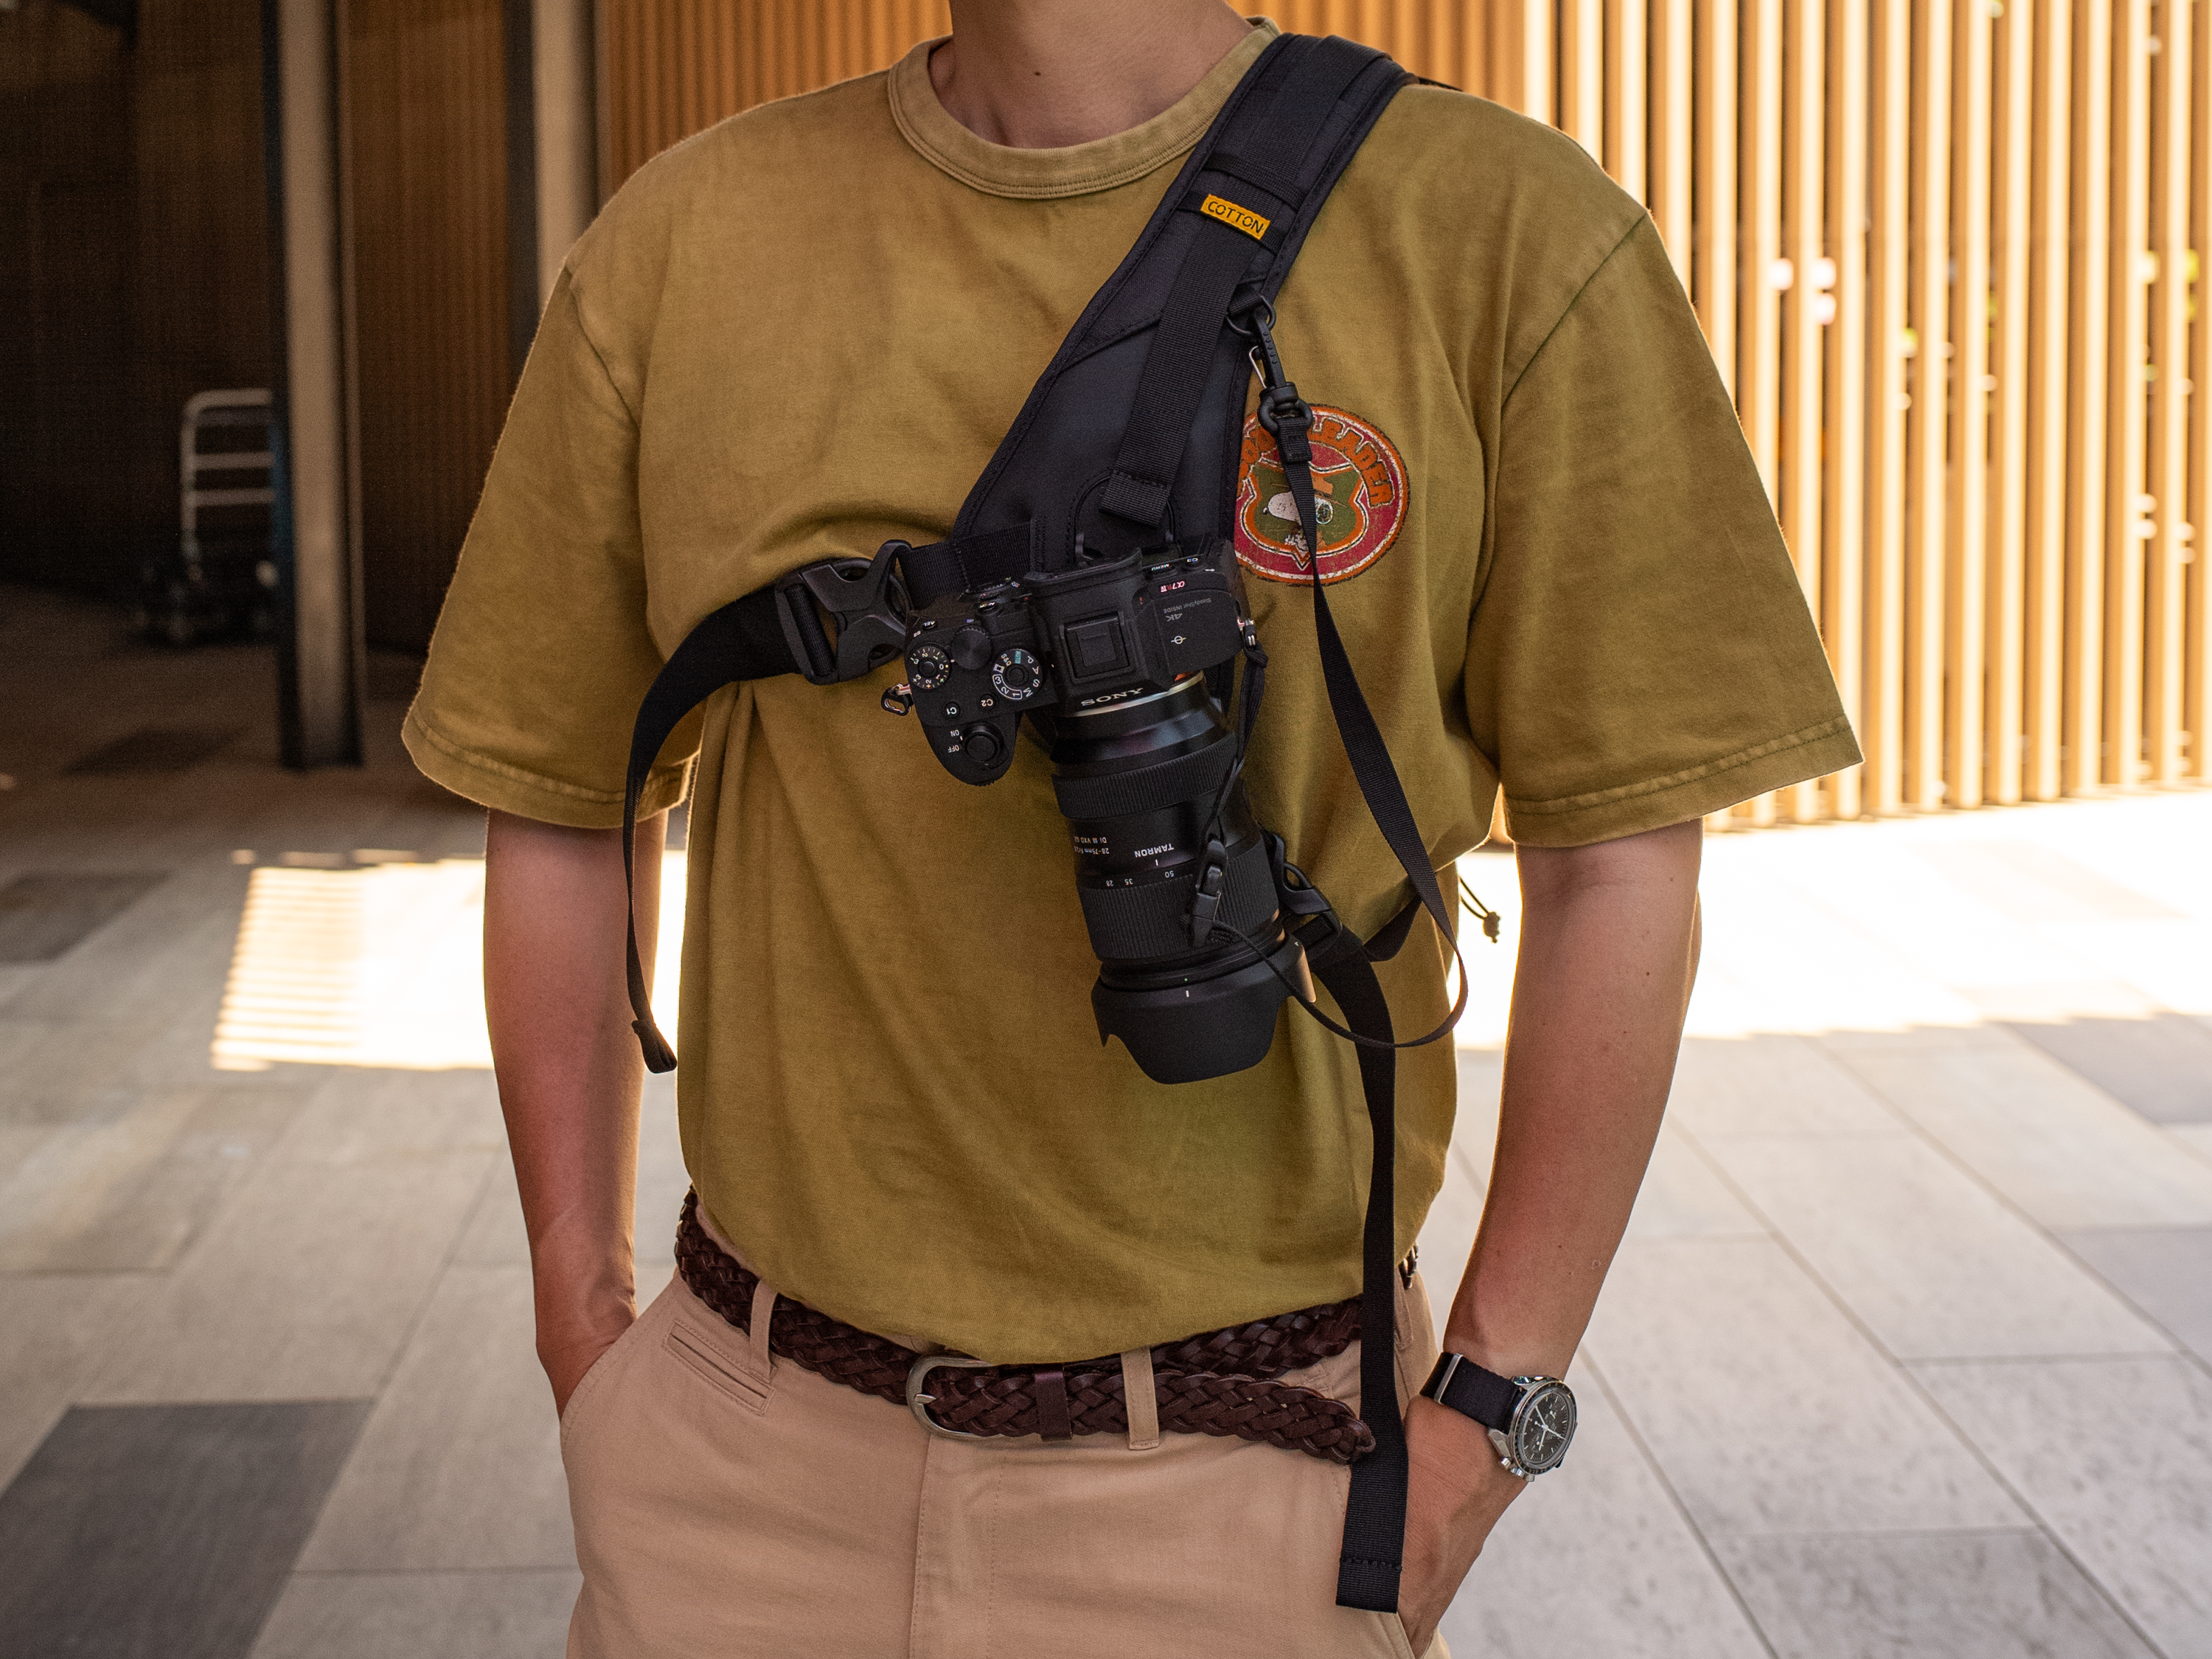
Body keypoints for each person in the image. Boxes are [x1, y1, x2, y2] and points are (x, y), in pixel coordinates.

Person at [404, 2, 1860, 1653]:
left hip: (1251, 1472)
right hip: (737, 1472)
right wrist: (582, 1324)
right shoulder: (681, 243)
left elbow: (1620, 858)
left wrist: (1488, 1415)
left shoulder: (1504, 232)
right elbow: (556, 798)